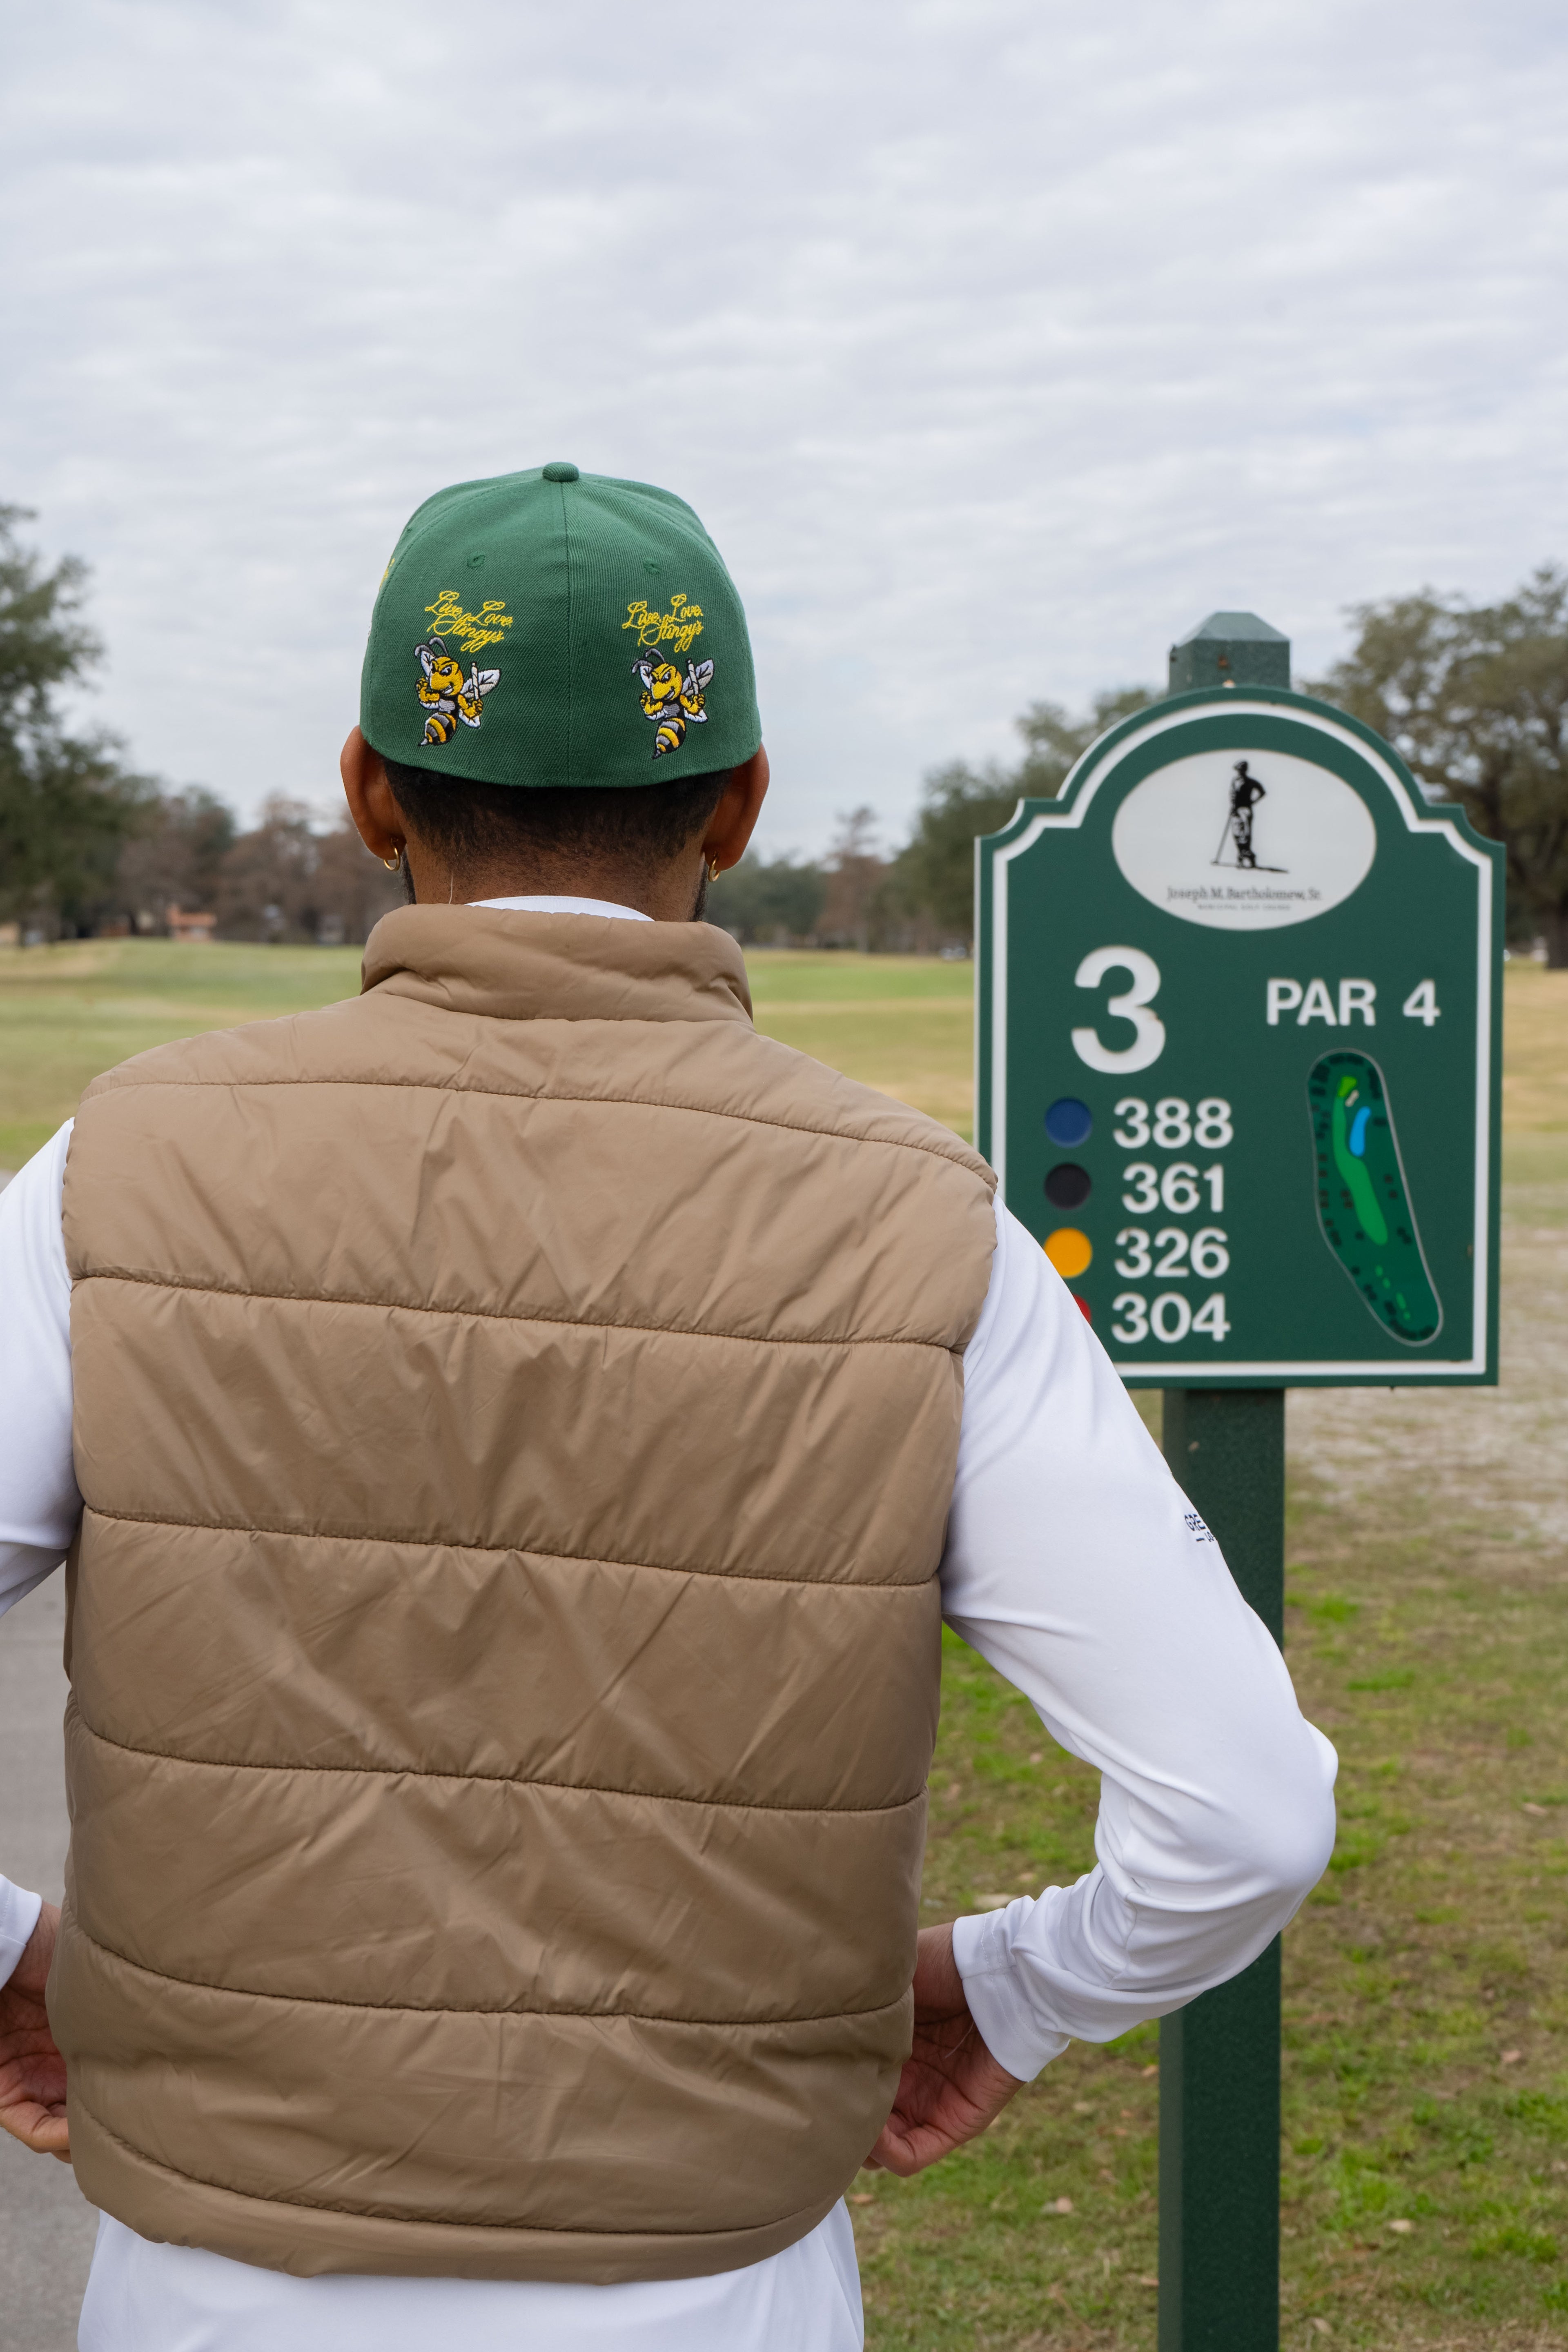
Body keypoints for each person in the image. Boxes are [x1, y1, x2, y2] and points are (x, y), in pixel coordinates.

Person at [0, 464, 1337, 2352]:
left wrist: (20, 1960)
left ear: (370, 789)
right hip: (718, 2288)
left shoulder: (111, 1174)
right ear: (740, 800)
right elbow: (1249, 1818)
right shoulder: (919, 1223)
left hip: (213, 2291)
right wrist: (1022, 1991)